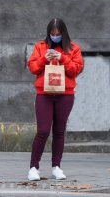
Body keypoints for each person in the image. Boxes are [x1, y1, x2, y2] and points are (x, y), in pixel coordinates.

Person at [27, 18, 83, 181]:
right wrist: (45, 58)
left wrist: (62, 57)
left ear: (64, 33)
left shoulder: (73, 48)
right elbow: (32, 67)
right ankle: (33, 168)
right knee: (43, 131)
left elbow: (75, 70)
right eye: (52, 34)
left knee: (59, 131)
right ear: (48, 33)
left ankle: (56, 167)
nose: (55, 36)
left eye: (58, 34)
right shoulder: (40, 46)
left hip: (65, 95)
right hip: (44, 94)